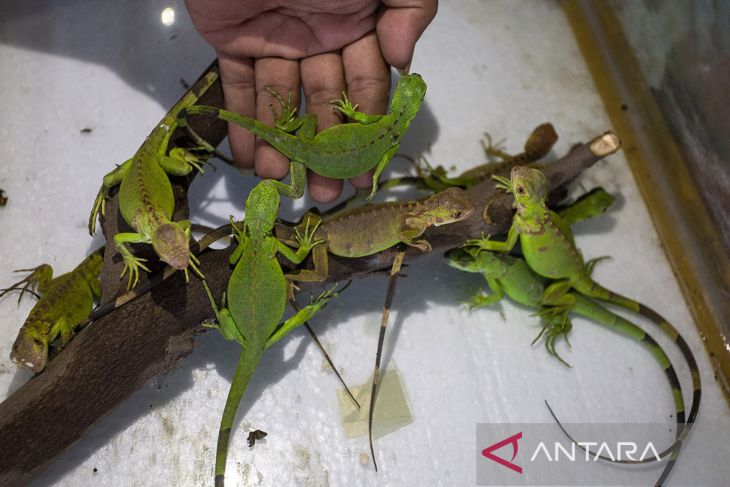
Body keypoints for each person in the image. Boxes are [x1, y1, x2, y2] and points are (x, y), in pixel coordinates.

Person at [184, 0, 437, 202]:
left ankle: (283, 126)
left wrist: (349, 111)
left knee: (312, 118)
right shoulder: (389, 136)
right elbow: (379, 164)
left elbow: (360, 118)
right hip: (307, 155)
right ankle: (280, 140)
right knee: (296, 191)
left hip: (306, 143)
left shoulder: (379, 121)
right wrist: (373, 183)